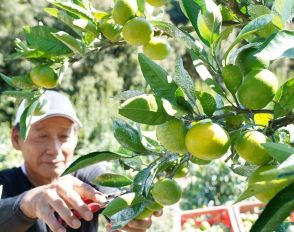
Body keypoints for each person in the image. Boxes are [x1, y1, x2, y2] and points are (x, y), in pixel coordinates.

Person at [0, 90, 161, 232]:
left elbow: (118, 200)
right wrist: (28, 204)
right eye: (42, 136)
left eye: (64, 136)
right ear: (16, 138)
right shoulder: (4, 183)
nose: (55, 149)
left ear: (76, 138)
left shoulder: (89, 177)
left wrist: (133, 216)